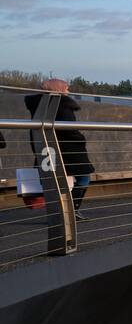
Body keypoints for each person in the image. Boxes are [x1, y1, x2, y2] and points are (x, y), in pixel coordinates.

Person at [24, 78, 94, 220]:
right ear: (58, 90)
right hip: (68, 149)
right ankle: (71, 210)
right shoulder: (61, 105)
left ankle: (64, 211)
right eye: (66, 88)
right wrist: (81, 139)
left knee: (54, 180)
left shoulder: (38, 105)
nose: (68, 91)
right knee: (84, 176)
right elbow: (69, 129)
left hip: (47, 148)